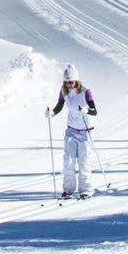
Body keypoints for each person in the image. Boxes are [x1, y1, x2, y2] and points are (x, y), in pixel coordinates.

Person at [50, 64, 99, 198]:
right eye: (66, 82)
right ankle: (68, 190)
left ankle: (86, 190)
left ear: (76, 80)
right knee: (69, 162)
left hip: (85, 132)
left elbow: (94, 111)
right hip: (71, 131)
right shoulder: (64, 91)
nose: (69, 85)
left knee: (84, 161)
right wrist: (52, 113)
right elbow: (60, 105)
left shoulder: (86, 91)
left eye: (71, 82)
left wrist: (86, 110)